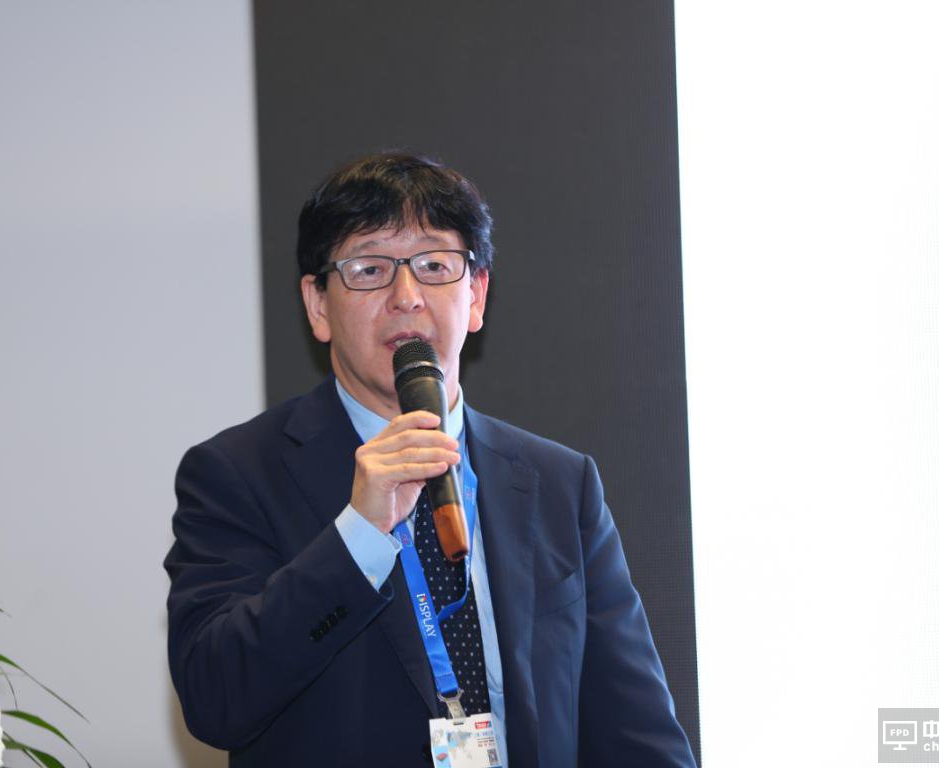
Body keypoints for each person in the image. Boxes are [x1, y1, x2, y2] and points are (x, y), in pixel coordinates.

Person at [164, 152, 696, 767]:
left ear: (477, 295)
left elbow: (638, 733)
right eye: (370, 269)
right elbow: (216, 699)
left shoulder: (558, 482)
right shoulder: (236, 473)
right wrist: (359, 535)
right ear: (318, 305)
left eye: (435, 265)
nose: (406, 296)